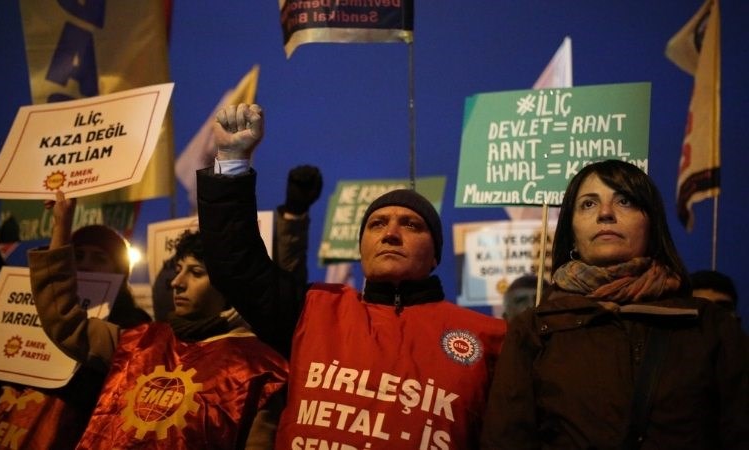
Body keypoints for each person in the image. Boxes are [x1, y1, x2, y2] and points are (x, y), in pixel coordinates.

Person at [196, 103, 508, 449]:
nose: (390, 233)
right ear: (362, 249)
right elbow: (235, 264)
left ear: (435, 255)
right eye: (377, 224)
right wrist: (231, 161)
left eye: (411, 224)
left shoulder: (491, 339)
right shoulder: (312, 309)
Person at [480, 159, 749, 449]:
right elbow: (506, 440)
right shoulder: (534, 330)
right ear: (571, 231)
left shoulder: (709, 325)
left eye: (624, 201)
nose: (605, 214)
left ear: (651, 222)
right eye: (588, 204)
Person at [27, 191, 299, 449]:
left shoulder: (258, 369)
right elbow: (64, 322)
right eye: (178, 270)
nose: (177, 282)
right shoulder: (139, 341)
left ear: (228, 285)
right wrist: (61, 226)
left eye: (195, 272)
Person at [0, 219, 151, 449]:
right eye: (79, 255)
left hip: (65, 433)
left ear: (120, 271)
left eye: (99, 258)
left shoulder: (132, 324)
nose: (85, 264)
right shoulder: (32, 305)